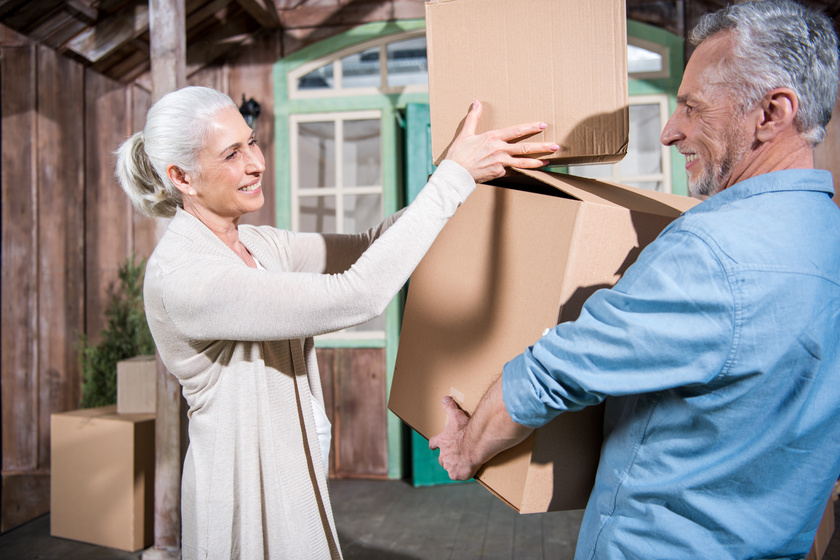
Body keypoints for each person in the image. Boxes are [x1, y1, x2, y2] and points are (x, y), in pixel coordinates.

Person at [429, 1, 840, 558]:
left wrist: (465, 451)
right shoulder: (829, 238)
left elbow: (548, 377)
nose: (671, 132)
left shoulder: (712, 253)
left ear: (771, 113)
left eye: (692, 109)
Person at [115, 85, 558, 560]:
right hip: (241, 487)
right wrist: (452, 179)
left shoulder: (259, 244)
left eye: (252, 141)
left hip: (292, 472)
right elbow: (357, 294)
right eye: (231, 153)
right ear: (181, 176)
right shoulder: (185, 275)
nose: (256, 163)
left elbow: (370, 244)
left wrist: (455, 178)